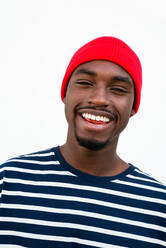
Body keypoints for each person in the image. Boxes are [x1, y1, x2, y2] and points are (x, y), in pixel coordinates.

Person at [0, 36, 165, 248]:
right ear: (65, 93)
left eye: (119, 89)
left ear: (133, 107)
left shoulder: (159, 209)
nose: (99, 99)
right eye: (85, 83)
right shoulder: (8, 184)